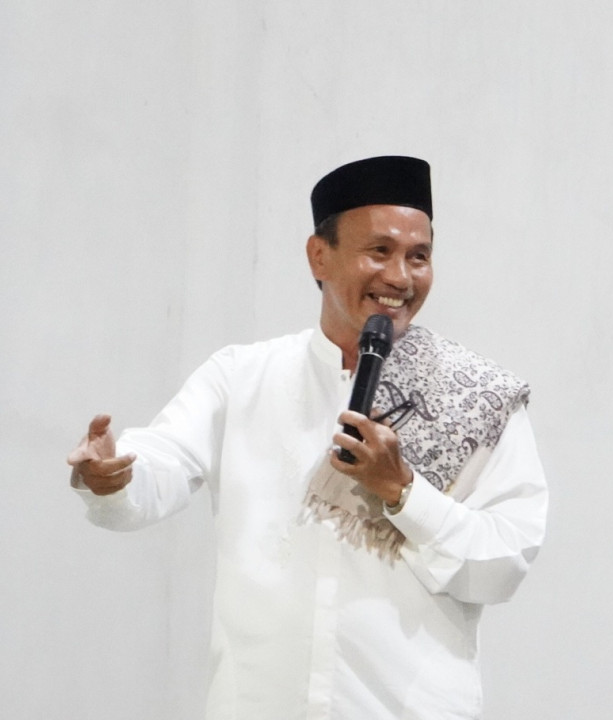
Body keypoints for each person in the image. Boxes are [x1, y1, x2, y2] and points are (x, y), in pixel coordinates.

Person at [67, 156, 548, 720]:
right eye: (380, 251)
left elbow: (502, 564)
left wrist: (404, 493)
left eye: (419, 256)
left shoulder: (476, 398)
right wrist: (112, 477)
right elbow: (159, 465)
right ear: (319, 256)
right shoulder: (243, 377)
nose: (400, 277)